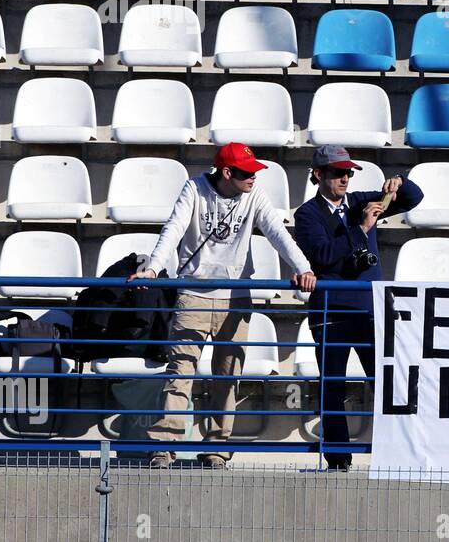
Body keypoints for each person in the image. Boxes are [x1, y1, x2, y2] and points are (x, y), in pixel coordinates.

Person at [132, 143, 317, 469]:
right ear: (227, 172)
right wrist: (153, 267)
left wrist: (302, 267)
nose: (253, 178)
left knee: (227, 376)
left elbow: (277, 232)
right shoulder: (194, 188)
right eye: (246, 172)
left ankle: (217, 448)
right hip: (193, 295)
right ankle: (164, 446)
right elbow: (173, 229)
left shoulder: (254, 195)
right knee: (181, 373)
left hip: (236, 297)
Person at [293, 145, 423, 472]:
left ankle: (397, 455)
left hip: (367, 309)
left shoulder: (359, 201)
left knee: (384, 382)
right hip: (331, 312)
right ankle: (338, 459)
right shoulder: (306, 214)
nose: (345, 178)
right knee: (333, 386)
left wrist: (398, 183)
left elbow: (413, 198)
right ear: (318, 175)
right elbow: (323, 256)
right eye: (338, 172)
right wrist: (361, 229)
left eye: (349, 172)